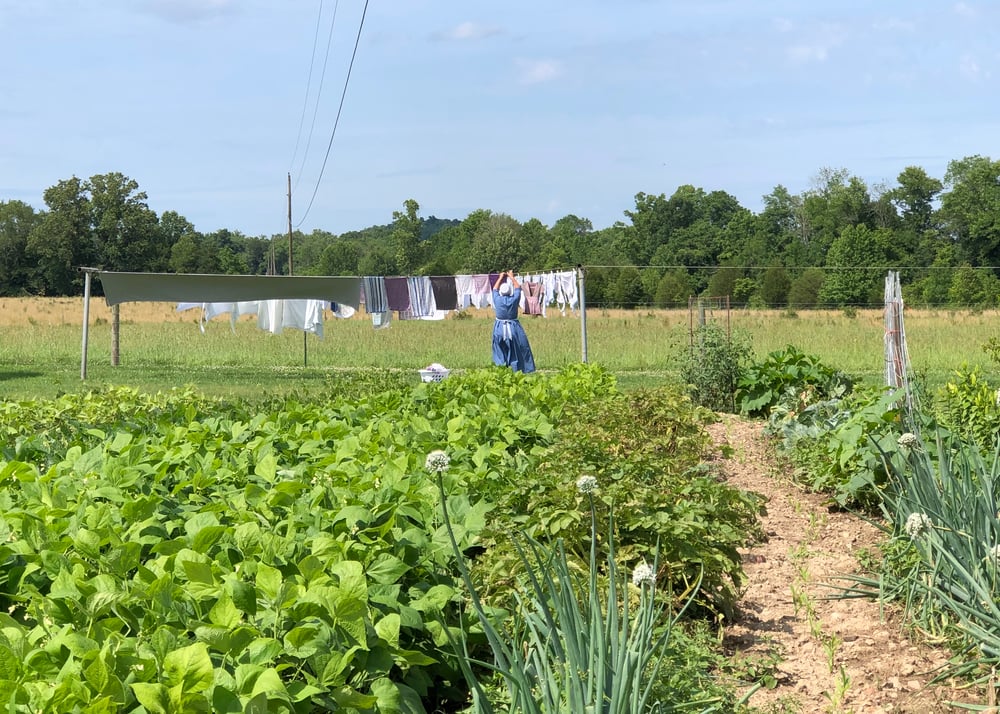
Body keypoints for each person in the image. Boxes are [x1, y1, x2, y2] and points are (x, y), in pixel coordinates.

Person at [491, 270, 536, 373]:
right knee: (516, 350)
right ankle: (517, 370)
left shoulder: (497, 299)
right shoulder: (514, 299)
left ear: (501, 292)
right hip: (513, 327)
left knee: (499, 350)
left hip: (499, 328)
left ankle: (500, 370)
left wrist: (500, 278)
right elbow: (518, 288)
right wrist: (511, 277)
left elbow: (494, 289)